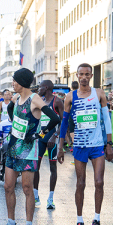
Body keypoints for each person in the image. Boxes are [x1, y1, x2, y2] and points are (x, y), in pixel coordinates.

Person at [0, 68, 60, 225]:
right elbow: (10, 110)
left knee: (26, 188)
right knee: (8, 186)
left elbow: (55, 119)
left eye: (15, 81)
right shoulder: (16, 98)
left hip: (29, 149)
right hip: (13, 147)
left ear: (22, 81)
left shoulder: (35, 99)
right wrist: (14, 126)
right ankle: (11, 223)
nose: (12, 84)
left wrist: (39, 134)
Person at [57, 63, 113, 225]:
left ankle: (96, 220)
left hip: (97, 145)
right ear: (76, 75)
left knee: (99, 182)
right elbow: (65, 123)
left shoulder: (99, 94)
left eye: (87, 74)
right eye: (80, 74)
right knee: (80, 183)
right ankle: (79, 222)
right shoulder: (70, 97)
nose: (83, 77)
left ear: (91, 76)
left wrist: (110, 143)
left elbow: (106, 119)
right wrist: (61, 146)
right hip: (80, 145)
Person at [33, 80, 63, 210]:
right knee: (35, 166)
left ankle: (50, 198)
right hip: (41, 137)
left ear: (46, 88)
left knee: (53, 167)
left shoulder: (57, 101)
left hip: (52, 138)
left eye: (40, 87)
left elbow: (63, 123)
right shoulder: (40, 101)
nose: (38, 89)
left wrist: (55, 135)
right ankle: (35, 195)